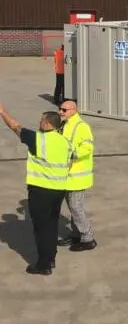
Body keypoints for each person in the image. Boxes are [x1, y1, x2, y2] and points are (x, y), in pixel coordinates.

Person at [0, 103, 72, 275]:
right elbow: (69, 162)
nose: (39, 122)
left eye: (41, 120)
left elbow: (15, 126)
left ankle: (43, 265)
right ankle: (51, 258)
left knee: (41, 229)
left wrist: (2, 111)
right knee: (52, 225)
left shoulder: (39, 140)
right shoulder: (65, 142)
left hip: (41, 191)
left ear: (48, 123)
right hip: (59, 190)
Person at [57, 100, 97, 251]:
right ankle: (76, 235)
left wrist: (71, 155)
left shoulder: (82, 127)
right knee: (72, 207)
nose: (61, 112)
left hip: (78, 176)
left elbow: (87, 147)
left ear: (74, 110)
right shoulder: (65, 124)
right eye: (60, 109)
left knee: (76, 207)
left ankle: (88, 238)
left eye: (64, 110)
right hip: (68, 175)